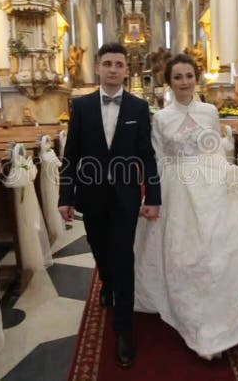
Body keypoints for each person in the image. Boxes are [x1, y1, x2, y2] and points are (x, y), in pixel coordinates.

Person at [134, 53, 238, 359]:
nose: (184, 82)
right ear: (169, 82)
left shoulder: (210, 111)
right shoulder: (160, 118)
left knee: (220, 248)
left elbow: (216, 150)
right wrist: (153, 197)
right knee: (183, 251)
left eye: (189, 76)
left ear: (196, 78)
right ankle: (191, 313)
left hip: (212, 185)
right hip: (177, 189)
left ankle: (225, 311)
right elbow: (159, 159)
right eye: (178, 77)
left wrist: (227, 181)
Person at [58, 43, 161, 368]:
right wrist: (65, 196)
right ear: (98, 68)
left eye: (119, 64)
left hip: (125, 195)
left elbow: (147, 155)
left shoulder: (138, 108)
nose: (113, 69)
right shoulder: (82, 106)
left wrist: (153, 196)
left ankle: (123, 330)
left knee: (123, 256)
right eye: (107, 64)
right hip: (91, 194)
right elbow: (71, 155)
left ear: (126, 70)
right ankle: (106, 279)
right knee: (98, 246)